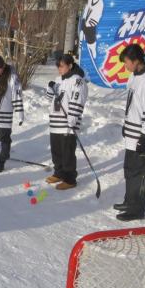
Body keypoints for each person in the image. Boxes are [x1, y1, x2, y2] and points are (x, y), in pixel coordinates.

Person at [114, 44, 145, 221]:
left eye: (127, 62)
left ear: (136, 60)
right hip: (133, 133)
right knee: (130, 170)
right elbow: (133, 105)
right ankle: (129, 201)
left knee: (140, 173)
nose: (125, 66)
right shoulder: (134, 76)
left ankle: (137, 209)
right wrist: (127, 125)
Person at [45, 54, 88, 190]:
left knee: (67, 153)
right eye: (58, 66)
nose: (59, 69)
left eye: (62, 66)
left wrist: (72, 121)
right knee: (56, 152)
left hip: (67, 125)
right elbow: (49, 98)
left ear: (70, 66)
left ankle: (70, 179)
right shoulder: (59, 80)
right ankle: (59, 173)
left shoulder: (78, 81)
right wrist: (50, 87)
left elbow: (77, 102)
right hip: (55, 124)